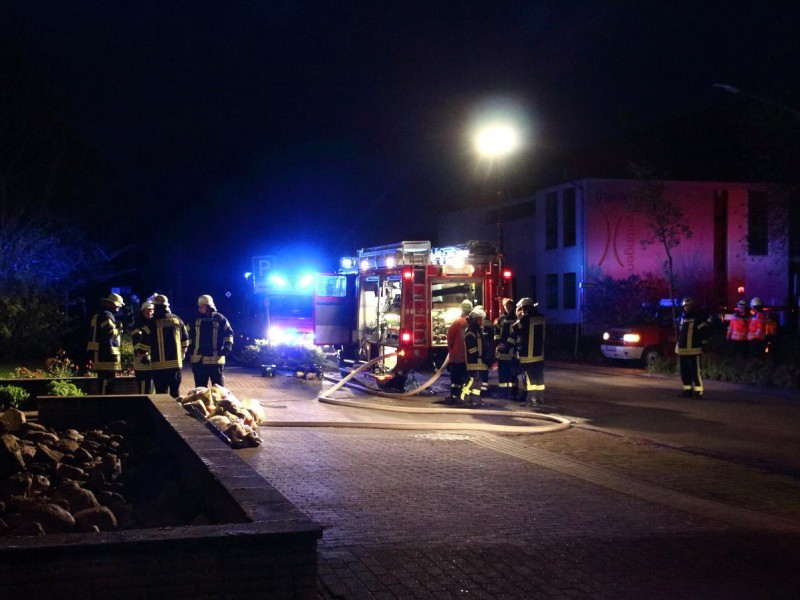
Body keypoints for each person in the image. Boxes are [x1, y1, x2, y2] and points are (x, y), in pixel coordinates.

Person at [136, 294, 189, 397]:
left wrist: (140, 356)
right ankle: (177, 412)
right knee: (175, 393)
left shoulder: (151, 323)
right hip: (175, 365)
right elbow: (185, 340)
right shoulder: (177, 320)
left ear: (155, 307)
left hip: (158, 367)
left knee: (161, 395)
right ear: (166, 306)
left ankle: (163, 413)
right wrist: (182, 353)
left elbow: (144, 344)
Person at [187, 294, 235, 388]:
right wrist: (190, 349)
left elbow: (229, 333)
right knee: (200, 391)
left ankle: (219, 403)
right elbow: (187, 334)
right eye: (199, 307)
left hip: (215, 360)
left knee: (219, 391)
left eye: (202, 307)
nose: (200, 309)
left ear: (209, 307)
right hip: (199, 361)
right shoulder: (194, 319)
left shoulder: (220, 318)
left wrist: (226, 348)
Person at [508, 297, 546, 407]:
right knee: (539, 377)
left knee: (530, 378)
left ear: (525, 307)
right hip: (539, 354)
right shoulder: (541, 318)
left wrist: (505, 346)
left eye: (522, 308)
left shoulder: (524, 320)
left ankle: (532, 398)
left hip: (527, 355)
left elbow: (515, 331)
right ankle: (540, 398)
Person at [86, 293, 125, 394]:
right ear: (112, 304)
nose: (119, 307)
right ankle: (104, 405)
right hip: (106, 354)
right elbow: (110, 332)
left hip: (100, 353)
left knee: (105, 381)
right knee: (106, 383)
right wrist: (119, 329)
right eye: (119, 305)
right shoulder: (107, 315)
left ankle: (105, 404)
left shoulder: (98, 315)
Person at [675, 297, 708, 398]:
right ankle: (687, 389)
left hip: (694, 350)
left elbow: (704, 332)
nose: (687, 308)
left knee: (695, 371)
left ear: (692, 306)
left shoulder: (698, 318)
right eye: (685, 306)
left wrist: (703, 344)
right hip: (683, 350)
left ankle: (698, 391)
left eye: (689, 306)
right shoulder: (682, 318)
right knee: (684, 371)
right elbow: (681, 333)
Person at [445, 299, 472, 405]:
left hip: (457, 356)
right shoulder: (472, 322)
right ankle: (463, 396)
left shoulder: (457, 321)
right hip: (469, 357)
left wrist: (451, 348)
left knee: (456, 377)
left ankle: (454, 395)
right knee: (467, 377)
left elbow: (450, 336)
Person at [462, 305, 489, 407]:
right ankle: (463, 396)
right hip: (474, 362)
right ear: (474, 320)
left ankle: (475, 399)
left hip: (480, 362)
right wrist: (480, 356)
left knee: (479, 382)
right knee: (473, 381)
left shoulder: (478, 331)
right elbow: (472, 348)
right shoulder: (470, 332)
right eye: (480, 320)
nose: (482, 322)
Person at [493, 297, 517, 399]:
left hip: (512, 350)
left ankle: (512, 393)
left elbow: (515, 334)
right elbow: (496, 332)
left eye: (508, 306)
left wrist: (507, 345)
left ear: (512, 306)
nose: (506, 308)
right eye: (505, 306)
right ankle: (503, 393)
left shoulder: (516, 319)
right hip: (502, 350)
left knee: (512, 373)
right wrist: (498, 343)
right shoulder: (501, 319)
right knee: (502, 373)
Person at [130, 300, 155, 393]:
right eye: (147, 310)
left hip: (152, 364)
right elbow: (137, 344)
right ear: (142, 312)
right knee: (144, 391)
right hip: (142, 364)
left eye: (152, 310)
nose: (150, 313)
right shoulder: (138, 326)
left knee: (151, 390)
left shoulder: (153, 325)